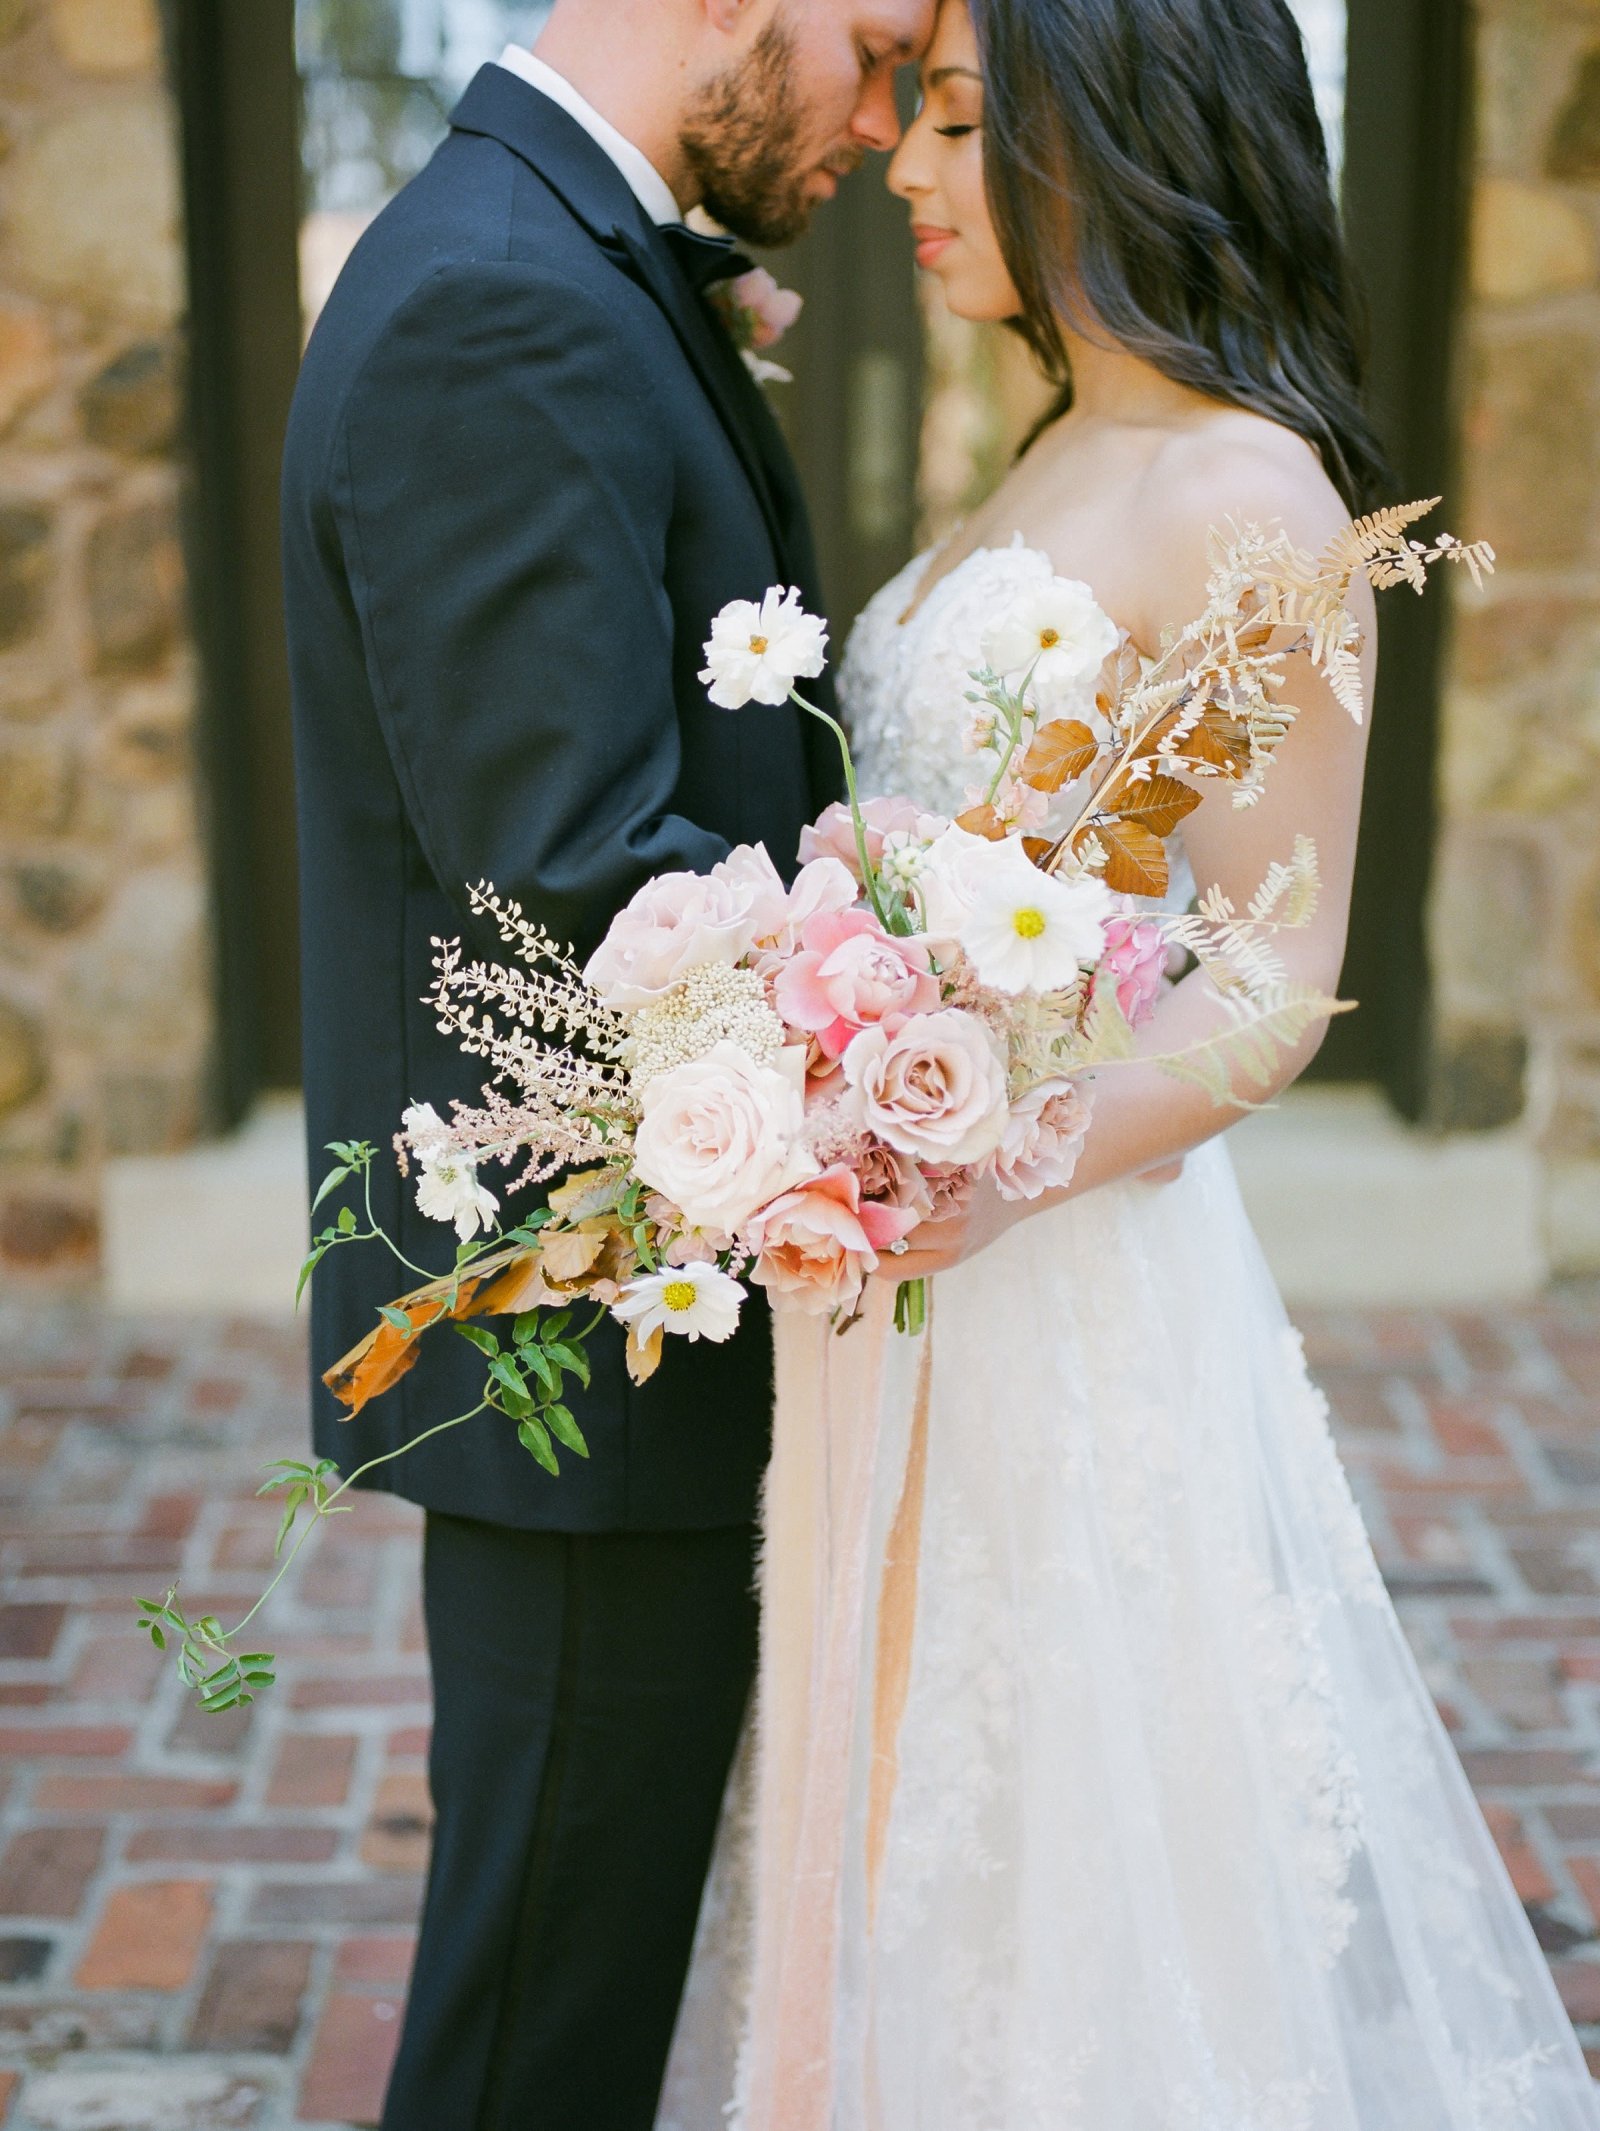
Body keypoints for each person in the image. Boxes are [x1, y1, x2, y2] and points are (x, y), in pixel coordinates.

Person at [667, 0, 1600, 2123]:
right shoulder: (1049, 440)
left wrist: (972, 1159)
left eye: (964, 120)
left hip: (1047, 1285)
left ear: (1122, 122)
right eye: (904, 113)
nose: (903, 162)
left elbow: (1271, 986)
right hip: (892, 1288)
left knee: (1051, 1885)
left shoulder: (1245, 485)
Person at [279, 1, 932, 2123]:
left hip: (635, 1302)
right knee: (535, 2034)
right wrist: (919, 1011)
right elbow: (564, 864)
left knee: (579, 1977)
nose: (882, 121)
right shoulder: (501, 295)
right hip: (584, 1333)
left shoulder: (566, 256)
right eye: (873, 48)